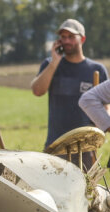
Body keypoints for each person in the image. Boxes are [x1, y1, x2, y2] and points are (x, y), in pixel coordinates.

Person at [30, 19, 108, 153]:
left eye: (71, 37)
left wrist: (100, 130)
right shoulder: (50, 64)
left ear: (82, 39)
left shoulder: (97, 69)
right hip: (56, 145)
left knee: (86, 175)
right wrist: (55, 62)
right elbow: (37, 91)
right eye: (63, 37)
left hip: (86, 146)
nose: (66, 41)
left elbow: (106, 106)